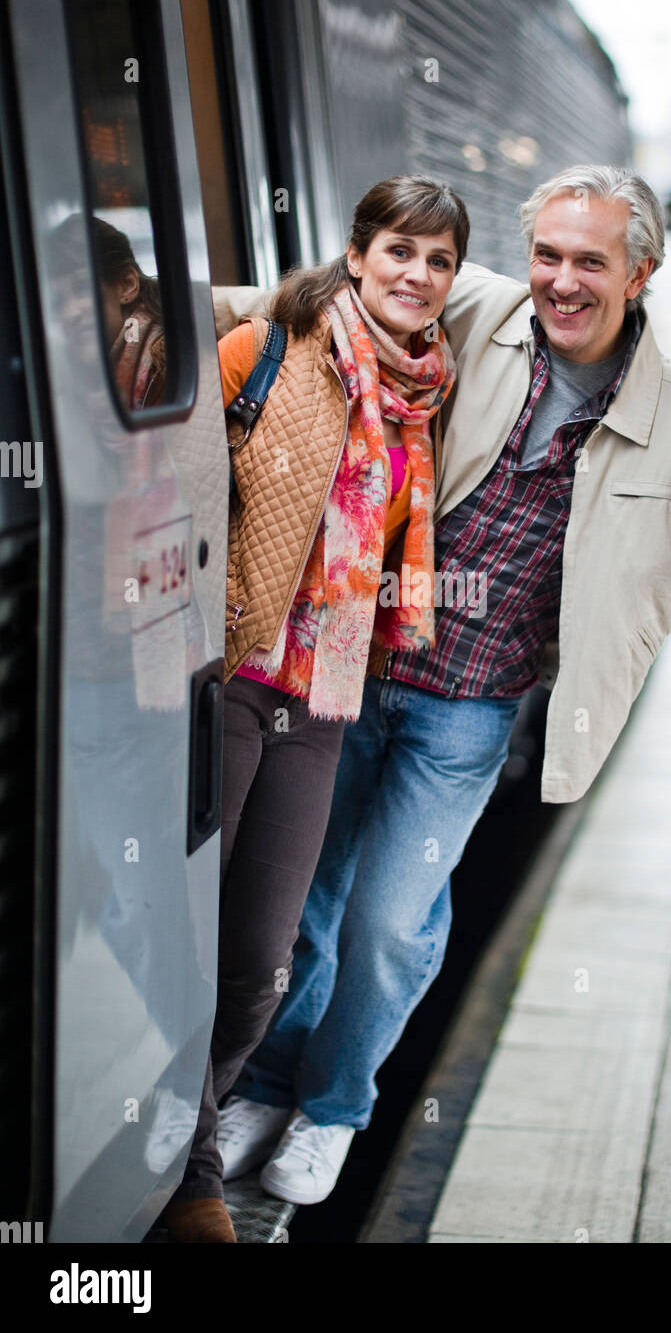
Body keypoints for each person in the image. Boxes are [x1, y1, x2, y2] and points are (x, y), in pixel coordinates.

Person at [211, 164, 671, 1207]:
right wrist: (117, 313)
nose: (559, 279)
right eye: (546, 253)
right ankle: (266, 1087)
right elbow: (310, 301)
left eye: (588, 260)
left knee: (386, 920)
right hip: (351, 669)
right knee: (305, 906)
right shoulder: (479, 307)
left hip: (467, 709)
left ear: (639, 271)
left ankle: (331, 1109)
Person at [161, 175, 468, 1241]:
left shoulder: (426, 391)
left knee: (261, 955)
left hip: (323, 697)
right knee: (185, 936)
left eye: (437, 262)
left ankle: (174, 1130)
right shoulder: (266, 350)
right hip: (226, 675)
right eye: (397, 251)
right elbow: (163, 479)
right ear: (354, 251)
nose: (416, 276)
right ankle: (191, 1168)